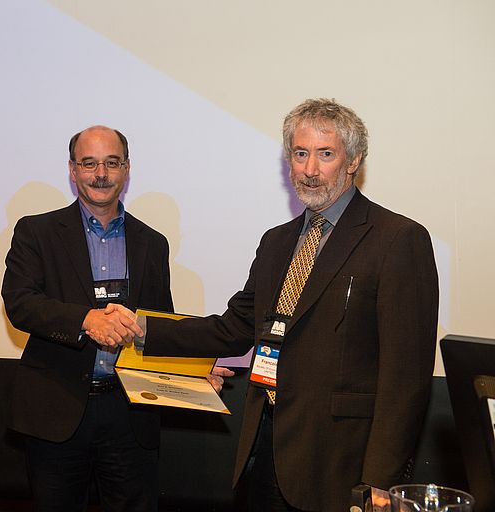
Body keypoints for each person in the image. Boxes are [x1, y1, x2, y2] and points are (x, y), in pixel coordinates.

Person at [135, 99, 439, 511]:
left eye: (325, 154)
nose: (310, 169)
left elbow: (406, 378)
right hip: (264, 452)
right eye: (300, 154)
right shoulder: (276, 241)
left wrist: (381, 481)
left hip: (340, 465)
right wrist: (141, 329)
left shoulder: (397, 239)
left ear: (353, 161)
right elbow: (234, 327)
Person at [2, 125, 230, 512]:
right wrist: (85, 320)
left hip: (130, 415)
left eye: (111, 163)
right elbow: (20, 303)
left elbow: (159, 325)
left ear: (126, 169)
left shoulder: (152, 242)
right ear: (72, 170)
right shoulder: (36, 232)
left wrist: (191, 373)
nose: (101, 174)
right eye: (89, 163)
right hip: (57, 409)